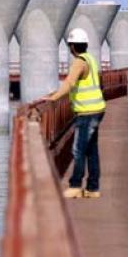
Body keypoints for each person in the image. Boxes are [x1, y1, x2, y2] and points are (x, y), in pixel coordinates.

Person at [42, 28, 106, 199]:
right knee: (91, 150)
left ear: (72, 46)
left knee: (78, 150)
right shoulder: (90, 59)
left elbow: (70, 82)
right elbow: (98, 82)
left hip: (87, 112)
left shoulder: (79, 62)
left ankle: (75, 185)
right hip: (98, 109)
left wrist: (54, 98)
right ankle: (93, 188)